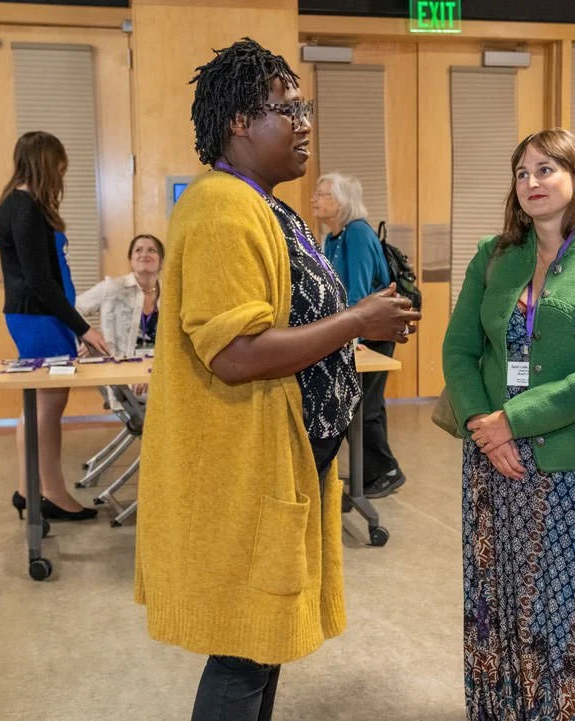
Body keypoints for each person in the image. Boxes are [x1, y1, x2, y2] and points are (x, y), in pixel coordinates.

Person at [133, 38, 420, 721]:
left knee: (257, 651)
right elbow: (235, 350)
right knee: (242, 653)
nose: (305, 123)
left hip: (275, 463)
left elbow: (294, 314)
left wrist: (363, 321)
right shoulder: (220, 207)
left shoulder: (264, 205)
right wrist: (354, 320)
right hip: (242, 472)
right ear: (238, 121)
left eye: (305, 107)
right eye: (287, 109)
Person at [442, 128, 575, 721]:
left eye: (547, 169)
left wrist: (514, 420)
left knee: (560, 607)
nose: (532, 182)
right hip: (490, 460)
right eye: (522, 172)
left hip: (567, 463)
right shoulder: (494, 255)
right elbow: (457, 349)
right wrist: (484, 422)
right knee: (494, 599)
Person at [0, 130, 110, 522]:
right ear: (47, 164)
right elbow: (40, 282)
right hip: (38, 317)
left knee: (44, 403)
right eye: (60, 166)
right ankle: (48, 494)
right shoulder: (23, 208)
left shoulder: (21, 204)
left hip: (41, 315)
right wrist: (84, 329)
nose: (62, 174)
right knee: (44, 404)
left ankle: (33, 491)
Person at [312, 172, 405, 498]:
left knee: (363, 406)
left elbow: (361, 296)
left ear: (341, 203)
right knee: (357, 405)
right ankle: (371, 473)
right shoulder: (332, 238)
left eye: (322, 194)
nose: (315, 199)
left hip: (373, 333)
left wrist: (342, 336)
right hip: (351, 333)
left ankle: (387, 470)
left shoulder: (358, 235)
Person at [77, 233, 165, 397]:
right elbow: (72, 309)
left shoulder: (171, 294)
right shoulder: (112, 288)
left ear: (161, 262)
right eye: (138, 250)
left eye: (152, 250)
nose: (144, 254)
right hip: (122, 372)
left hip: (161, 370)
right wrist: (89, 335)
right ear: (131, 260)